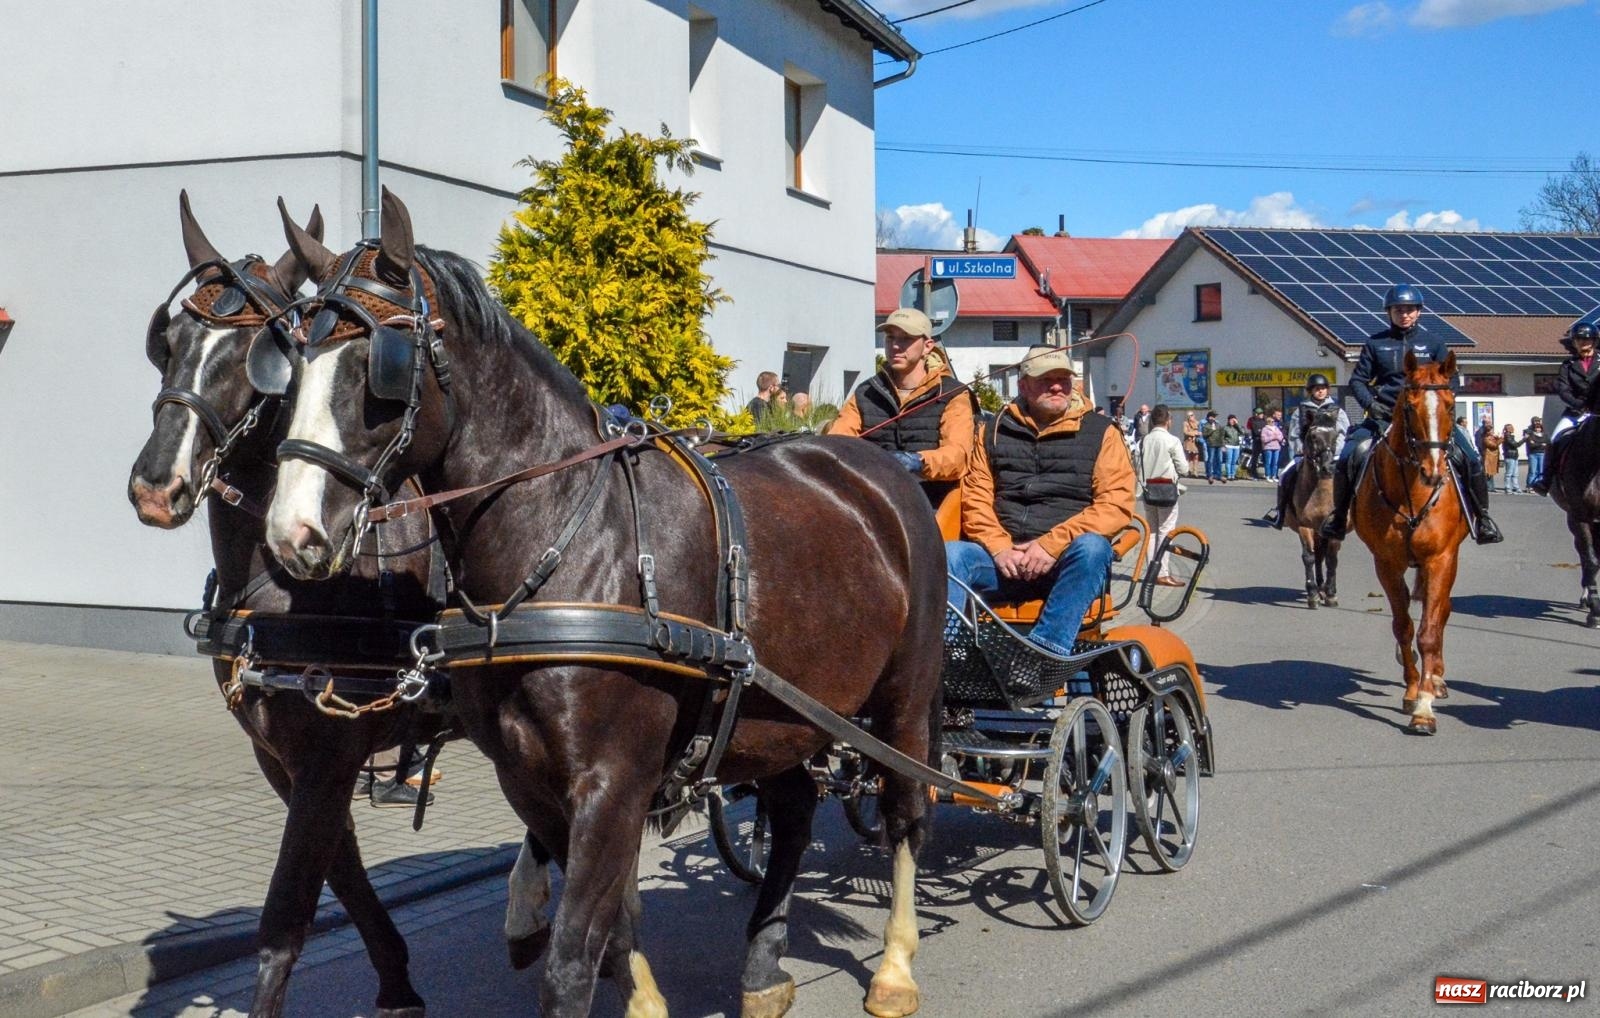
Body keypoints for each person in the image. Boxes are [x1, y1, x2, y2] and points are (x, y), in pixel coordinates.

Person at [945, 345, 1136, 657]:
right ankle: (949, 655)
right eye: (1045, 379)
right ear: (1023, 385)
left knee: (1094, 548)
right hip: (1003, 561)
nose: (1057, 386)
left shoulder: (1101, 432)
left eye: (1063, 378)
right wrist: (999, 547)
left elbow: (1115, 505)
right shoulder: (991, 431)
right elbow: (975, 497)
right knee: (950, 555)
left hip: (1066, 564)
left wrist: (1049, 545)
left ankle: (1043, 655)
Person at [1321, 284, 1502, 544]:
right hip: (1384, 415)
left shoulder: (1434, 343)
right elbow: (1358, 381)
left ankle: (1482, 519)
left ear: (1418, 312)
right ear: (1389, 313)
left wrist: (1439, 406)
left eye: (1409, 310)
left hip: (1427, 420)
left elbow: (1451, 381)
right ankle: (1338, 517)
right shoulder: (1375, 344)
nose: (1404, 314)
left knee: (1471, 458)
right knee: (1350, 455)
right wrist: (1371, 405)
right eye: (1398, 310)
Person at [828, 307, 976, 505]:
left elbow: (958, 458)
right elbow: (837, 444)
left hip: (930, 503)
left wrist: (916, 461)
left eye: (906, 338)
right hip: (872, 498)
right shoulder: (866, 391)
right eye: (890, 338)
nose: (896, 346)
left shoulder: (953, 394)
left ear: (927, 346)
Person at [1269, 374, 1348, 528]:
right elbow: (1294, 435)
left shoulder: (1337, 410)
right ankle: (1281, 512)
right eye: (1317, 389)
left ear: (1327, 390)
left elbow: (1342, 434)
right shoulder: (1300, 410)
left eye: (1323, 388)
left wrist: (1333, 451)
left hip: (1331, 454)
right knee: (1284, 475)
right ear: (1311, 391)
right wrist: (1302, 450)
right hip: (1307, 454)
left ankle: (1350, 512)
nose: (1320, 391)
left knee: (1349, 476)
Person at [1533, 322, 1599, 495]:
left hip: (1598, 411)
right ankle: (1545, 480)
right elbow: (1563, 390)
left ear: (1594, 341)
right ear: (1574, 342)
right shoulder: (1568, 365)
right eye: (1579, 340)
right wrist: (1579, 405)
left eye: (1587, 340)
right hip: (1577, 412)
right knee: (1555, 439)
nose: (1583, 343)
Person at [1139, 404, 1188, 587]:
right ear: (1168, 420)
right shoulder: (1172, 440)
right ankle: (1163, 573)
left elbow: (1137, 467)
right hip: (1167, 490)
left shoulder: (1143, 440)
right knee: (1166, 531)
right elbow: (1183, 468)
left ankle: (1150, 572)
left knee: (1151, 532)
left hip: (1148, 490)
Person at [1524, 417, 1548, 494]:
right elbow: (1531, 444)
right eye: (1535, 421)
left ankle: (1539, 487)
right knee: (1532, 471)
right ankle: (1530, 486)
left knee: (1540, 471)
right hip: (1533, 453)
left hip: (1542, 453)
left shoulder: (1544, 434)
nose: (1538, 428)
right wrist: (1541, 444)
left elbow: (1547, 443)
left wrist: (1537, 443)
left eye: (1538, 422)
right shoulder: (1530, 432)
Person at [1202, 410, 1226, 483]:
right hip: (1211, 444)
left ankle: (1219, 475)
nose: (1214, 418)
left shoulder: (1218, 424)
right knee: (1210, 460)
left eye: (1215, 417)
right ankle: (1210, 475)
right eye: (1212, 416)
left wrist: (1223, 445)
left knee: (1219, 460)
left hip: (1218, 444)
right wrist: (1211, 430)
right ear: (1209, 417)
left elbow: (1222, 435)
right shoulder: (1206, 425)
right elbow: (1204, 435)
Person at [1244, 407, 1268, 479]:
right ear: (1256, 414)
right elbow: (1255, 431)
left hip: (1264, 441)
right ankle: (1254, 473)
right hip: (1257, 441)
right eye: (1260, 414)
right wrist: (1262, 431)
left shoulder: (1264, 420)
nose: (1262, 415)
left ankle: (1267, 474)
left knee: (1265, 458)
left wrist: (1262, 432)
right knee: (1255, 458)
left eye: (1262, 413)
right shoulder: (1252, 420)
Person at [1260, 413, 1285, 479]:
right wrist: (1272, 437)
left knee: (1275, 463)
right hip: (1268, 447)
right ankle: (1267, 475)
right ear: (1268, 422)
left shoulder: (1276, 428)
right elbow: (1263, 439)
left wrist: (1277, 437)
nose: (1273, 422)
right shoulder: (1265, 429)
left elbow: (1281, 436)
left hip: (1276, 447)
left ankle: (1273, 476)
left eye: (1273, 421)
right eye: (1271, 421)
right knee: (1268, 462)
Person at [1221, 414, 1245, 481]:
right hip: (1228, 445)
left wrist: (1237, 424)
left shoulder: (1237, 427)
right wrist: (1223, 446)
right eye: (1231, 420)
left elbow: (1243, 433)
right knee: (1229, 461)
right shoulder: (1225, 428)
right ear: (1228, 420)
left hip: (1236, 446)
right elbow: (1222, 438)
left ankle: (1233, 475)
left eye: (1233, 420)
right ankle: (1228, 475)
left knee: (1234, 462)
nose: (1232, 421)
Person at [1500, 423, 1523, 494]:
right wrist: (1524, 439)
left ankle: (1516, 487)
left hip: (1514, 456)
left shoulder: (1511, 436)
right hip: (1510, 456)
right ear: (1507, 429)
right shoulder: (1507, 436)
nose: (1512, 428)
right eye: (1510, 427)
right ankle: (1507, 487)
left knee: (1515, 473)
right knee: (1509, 473)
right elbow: (1515, 444)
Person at [1182, 411, 1203, 477]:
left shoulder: (1198, 423)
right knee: (1189, 457)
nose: (1190, 417)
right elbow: (1185, 432)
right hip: (1188, 442)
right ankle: (1189, 471)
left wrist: (1196, 433)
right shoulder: (1185, 423)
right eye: (1189, 415)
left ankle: (1195, 471)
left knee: (1196, 457)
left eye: (1191, 415)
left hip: (1195, 442)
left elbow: (1200, 431)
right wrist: (1194, 433)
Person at [1481, 425, 1501, 492]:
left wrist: (1497, 438)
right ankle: (1488, 487)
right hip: (1488, 456)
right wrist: (1501, 439)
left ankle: (1491, 487)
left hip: (1493, 456)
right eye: (1491, 430)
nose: (1492, 432)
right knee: (1488, 472)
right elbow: (1494, 445)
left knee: (1491, 472)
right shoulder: (1486, 438)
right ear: (1487, 432)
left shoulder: (1492, 437)